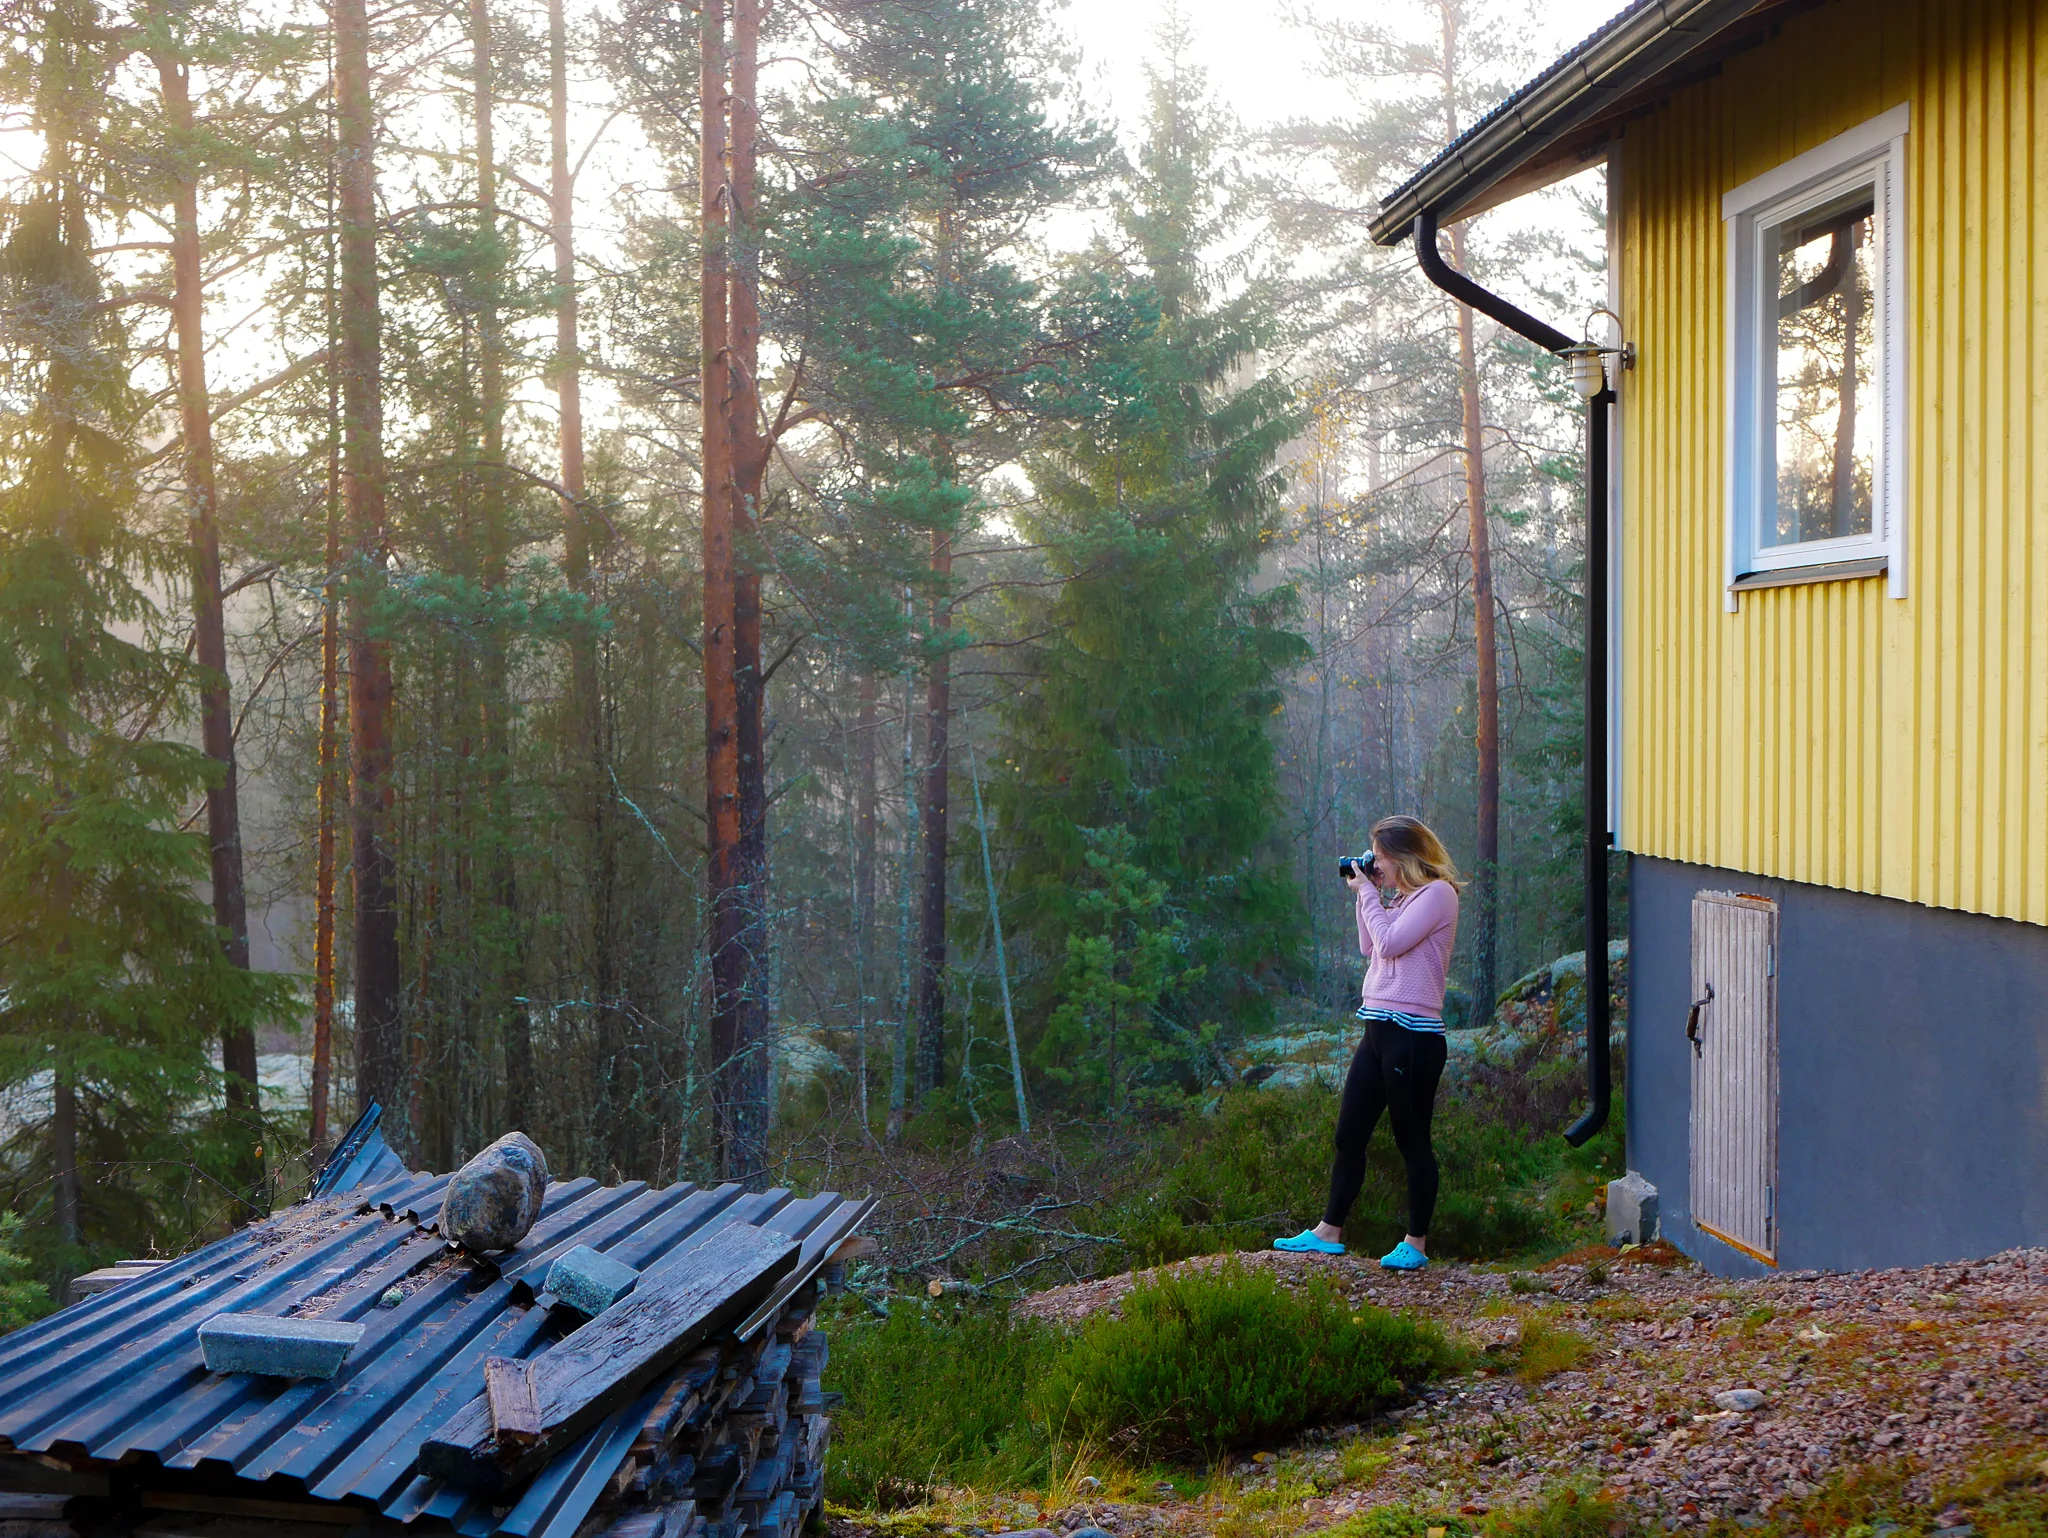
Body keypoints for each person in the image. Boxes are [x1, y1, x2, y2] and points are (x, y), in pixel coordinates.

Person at [1274, 814, 1462, 1271]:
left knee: (1412, 1141)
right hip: (1377, 1028)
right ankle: (1328, 1231)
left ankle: (1415, 1244)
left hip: (1413, 1037)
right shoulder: (1399, 898)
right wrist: (1368, 897)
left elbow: (1392, 942)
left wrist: (1370, 895)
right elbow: (1369, 945)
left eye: (1379, 857)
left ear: (1402, 856)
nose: (1373, 864)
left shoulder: (1438, 894)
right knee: (1349, 1134)